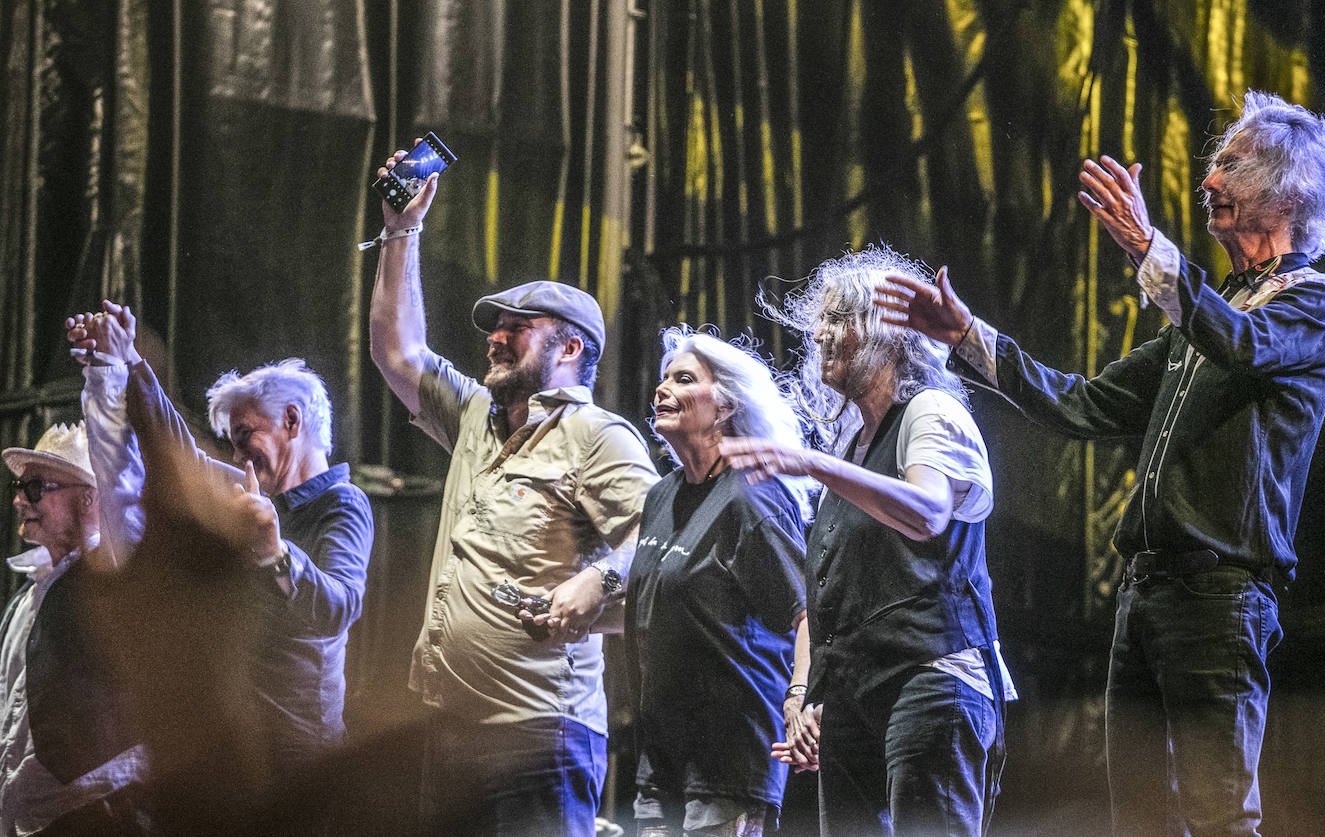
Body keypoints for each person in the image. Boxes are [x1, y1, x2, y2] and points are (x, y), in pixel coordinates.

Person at [875, 90, 1325, 836]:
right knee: (1137, 818)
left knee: (1220, 815)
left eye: (1228, 161)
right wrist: (967, 334)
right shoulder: (1209, 311)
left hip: (1221, 599)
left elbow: (1246, 345)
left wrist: (1147, 251)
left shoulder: (1314, 302)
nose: (1207, 180)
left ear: (1287, 188)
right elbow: (1084, 403)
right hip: (1147, 595)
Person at [367, 146, 659, 836]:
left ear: (569, 349)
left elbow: (659, 540)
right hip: (448, 729)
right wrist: (399, 230)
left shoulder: (599, 435)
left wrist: (599, 579)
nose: (495, 338)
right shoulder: (475, 413)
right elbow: (397, 351)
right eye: (495, 327)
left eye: (515, 329)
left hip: (539, 738)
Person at [720, 245, 1014, 836]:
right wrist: (808, 695)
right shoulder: (849, 449)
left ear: (893, 333)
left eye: (840, 320)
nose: (822, 335)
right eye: (820, 321)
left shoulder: (929, 413)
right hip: (856, 694)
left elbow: (929, 511)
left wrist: (811, 465)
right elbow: (831, 596)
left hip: (932, 676)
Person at [66, 303, 374, 779]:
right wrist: (128, 362)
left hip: (299, 761)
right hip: (242, 752)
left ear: (292, 421)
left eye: (246, 434)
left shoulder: (342, 503)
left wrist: (275, 552)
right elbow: (181, 452)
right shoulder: (253, 491)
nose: (238, 454)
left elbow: (337, 609)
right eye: (232, 441)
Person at [625, 327, 810, 837]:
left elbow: (808, 613)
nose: (662, 389)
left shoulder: (752, 496)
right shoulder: (661, 496)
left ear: (725, 406)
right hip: (660, 768)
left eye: (683, 379)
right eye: (663, 379)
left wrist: (799, 697)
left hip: (728, 765)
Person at [1, 421, 149, 836]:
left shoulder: (115, 582)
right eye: (19, 487)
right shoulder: (26, 599)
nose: (18, 500)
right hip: (33, 819)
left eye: (34, 489)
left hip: (102, 814)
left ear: (88, 499)